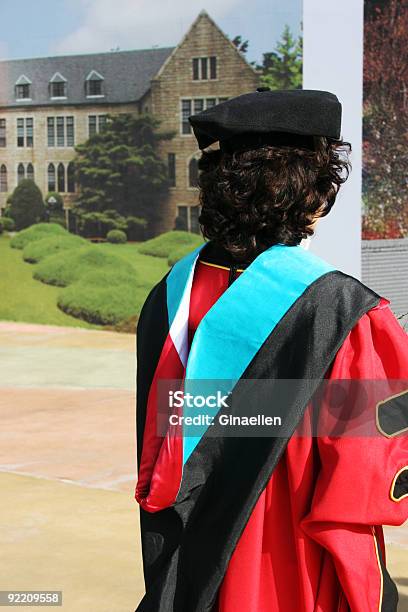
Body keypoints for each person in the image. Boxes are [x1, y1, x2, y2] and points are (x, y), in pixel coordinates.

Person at [134, 88, 408, 612]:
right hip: (289, 565)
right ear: (311, 193)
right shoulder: (338, 310)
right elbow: (365, 465)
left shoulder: (171, 296)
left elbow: (175, 435)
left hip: (183, 556)